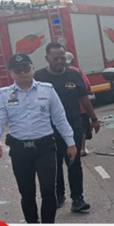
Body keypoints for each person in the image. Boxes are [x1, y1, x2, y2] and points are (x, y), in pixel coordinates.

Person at [0, 53, 77, 224]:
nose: (22, 73)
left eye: (26, 68)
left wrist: (71, 143)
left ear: (33, 69)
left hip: (45, 148)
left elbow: (60, 118)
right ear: (11, 73)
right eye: (17, 70)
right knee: (27, 193)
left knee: (48, 190)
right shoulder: (4, 95)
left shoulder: (47, 90)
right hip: (20, 150)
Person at [34, 42, 100, 213]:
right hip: (49, 130)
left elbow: (84, 98)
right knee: (53, 164)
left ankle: (77, 199)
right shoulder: (39, 77)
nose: (59, 61)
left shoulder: (74, 75)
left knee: (74, 162)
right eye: (55, 58)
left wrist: (94, 119)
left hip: (73, 126)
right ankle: (58, 195)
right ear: (47, 58)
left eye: (62, 57)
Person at [65, 52, 92, 157]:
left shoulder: (59, 74)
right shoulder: (78, 72)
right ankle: (82, 148)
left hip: (67, 108)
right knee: (82, 128)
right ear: (73, 61)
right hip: (81, 107)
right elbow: (87, 86)